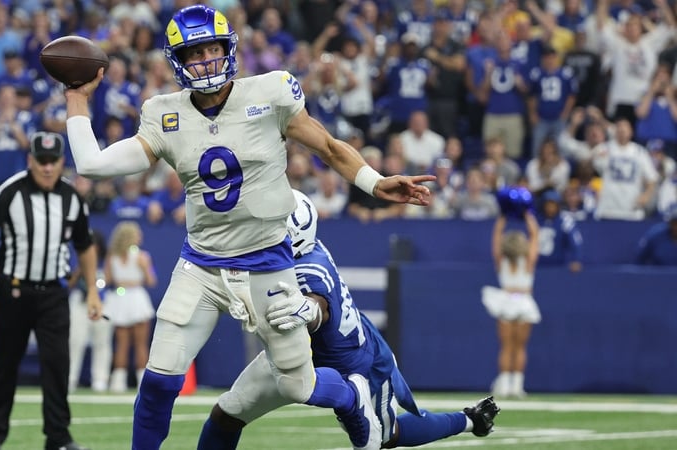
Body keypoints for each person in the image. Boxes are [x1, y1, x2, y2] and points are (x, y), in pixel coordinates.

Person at [63, 5, 435, 450]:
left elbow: (329, 147)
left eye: (212, 49)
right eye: (194, 53)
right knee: (159, 379)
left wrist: (375, 182)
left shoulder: (270, 92)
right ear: (178, 60)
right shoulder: (164, 113)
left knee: (298, 384)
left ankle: (351, 397)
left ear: (229, 49)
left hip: (267, 263)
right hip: (201, 265)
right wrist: (76, 97)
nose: (206, 60)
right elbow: (91, 164)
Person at [197, 190, 500, 449]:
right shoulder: (298, 250)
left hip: (353, 364)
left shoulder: (306, 268)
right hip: (294, 350)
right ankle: (471, 420)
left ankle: (466, 420)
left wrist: (306, 310)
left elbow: (318, 306)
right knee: (228, 413)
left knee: (388, 436)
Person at [0, 131, 100, 450]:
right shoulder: (11, 190)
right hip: (12, 290)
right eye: (42, 161)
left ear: (62, 162)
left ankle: (58, 438)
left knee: (57, 365)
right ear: (30, 161)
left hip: (54, 293)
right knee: (3, 363)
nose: (48, 167)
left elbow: (85, 245)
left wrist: (93, 291)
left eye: (53, 161)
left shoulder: (71, 197)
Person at [481, 188, 541, 398]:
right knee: (519, 347)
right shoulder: (528, 261)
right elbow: (535, 234)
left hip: (507, 300)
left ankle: (506, 385)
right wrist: (527, 214)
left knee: (506, 346)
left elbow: (496, 236)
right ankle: (516, 386)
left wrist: (503, 215)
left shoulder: (502, 261)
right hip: (523, 300)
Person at [103, 221, 157, 393]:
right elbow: (151, 281)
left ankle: (118, 384)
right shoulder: (142, 257)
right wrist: (142, 270)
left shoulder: (112, 257)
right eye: (137, 234)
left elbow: (107, 280)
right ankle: (141, 384)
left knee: (122, 344)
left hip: (121, 299)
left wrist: (122, 281)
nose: (140, 236)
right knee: (139, 344)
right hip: (135, 298)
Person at [68, 229, 113, 393]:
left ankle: (100, 379)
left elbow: (111, 281)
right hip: (80, 302)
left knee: (102, 342)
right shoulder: (78, 261)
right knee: (75, 341)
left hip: (102, 303)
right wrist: (82, 269)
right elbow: (69, 283)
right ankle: (70, 378)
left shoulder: (106, 263)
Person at [536, 190, 584, 273]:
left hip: (558, 267)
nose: (550, 208)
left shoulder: (565, 220)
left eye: (553, 205)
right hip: (537, 266)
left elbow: (576, 241)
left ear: (558, 206)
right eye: (548, 205)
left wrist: (576, 259)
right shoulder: (536, 220)